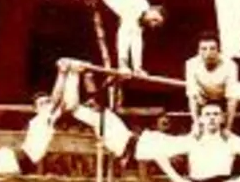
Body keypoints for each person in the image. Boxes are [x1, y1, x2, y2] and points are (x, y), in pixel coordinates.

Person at [59, 61, 192, 165]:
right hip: (139, 146)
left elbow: (96, 97)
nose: (92, 103)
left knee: (186, 143)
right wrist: (73, 74)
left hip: (142, 141)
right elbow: (74, 104)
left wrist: (77, 74)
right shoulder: (96, 117)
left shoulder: (103, 114)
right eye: (90, 103)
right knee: (186, 143)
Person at [184, 33, 240, 133]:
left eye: (212, 48)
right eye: (204, 49)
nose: (208, 53)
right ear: (198, 51)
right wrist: (195, 123)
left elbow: (232, 99)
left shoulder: (230, 65)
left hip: (225, 93)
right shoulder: (190, 64)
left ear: (219, 51)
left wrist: (228, 128)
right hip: (205, 94)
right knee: (194, 95)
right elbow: (192, 96)